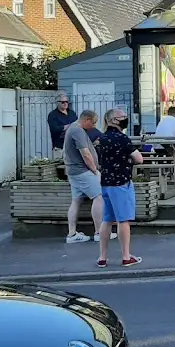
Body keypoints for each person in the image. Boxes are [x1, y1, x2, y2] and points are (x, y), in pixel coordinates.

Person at [94, 108, 144, 267]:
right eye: (123, 117)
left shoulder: (101, 139)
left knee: (107, 220)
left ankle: (102, 257)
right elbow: (139, 159)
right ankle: (126, 256)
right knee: (123, 220)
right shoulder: (122, 139)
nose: (125, 119)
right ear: (114, 120)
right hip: (121, 182)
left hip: (106, 183)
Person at [64, 110, 104, 244]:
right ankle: (99, 232)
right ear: (86, 119)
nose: (94, 126)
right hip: (82, 171)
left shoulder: (73, 128)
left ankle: (72, 233)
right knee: (99, 196)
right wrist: (95, 170)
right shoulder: (78, 131)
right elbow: (85, 154)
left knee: (76, 201)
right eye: (93, 122)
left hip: (73, 171)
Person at [47, 93, 76, 159]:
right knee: (59, 164)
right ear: (57, 103)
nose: (65, 104)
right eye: (63, 102)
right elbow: (54, 128)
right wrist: (67, 126)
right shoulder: (52, 115)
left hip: (73, 146)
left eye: (66, 102)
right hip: (60, 147)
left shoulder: (72, 113)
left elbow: (77, 124)